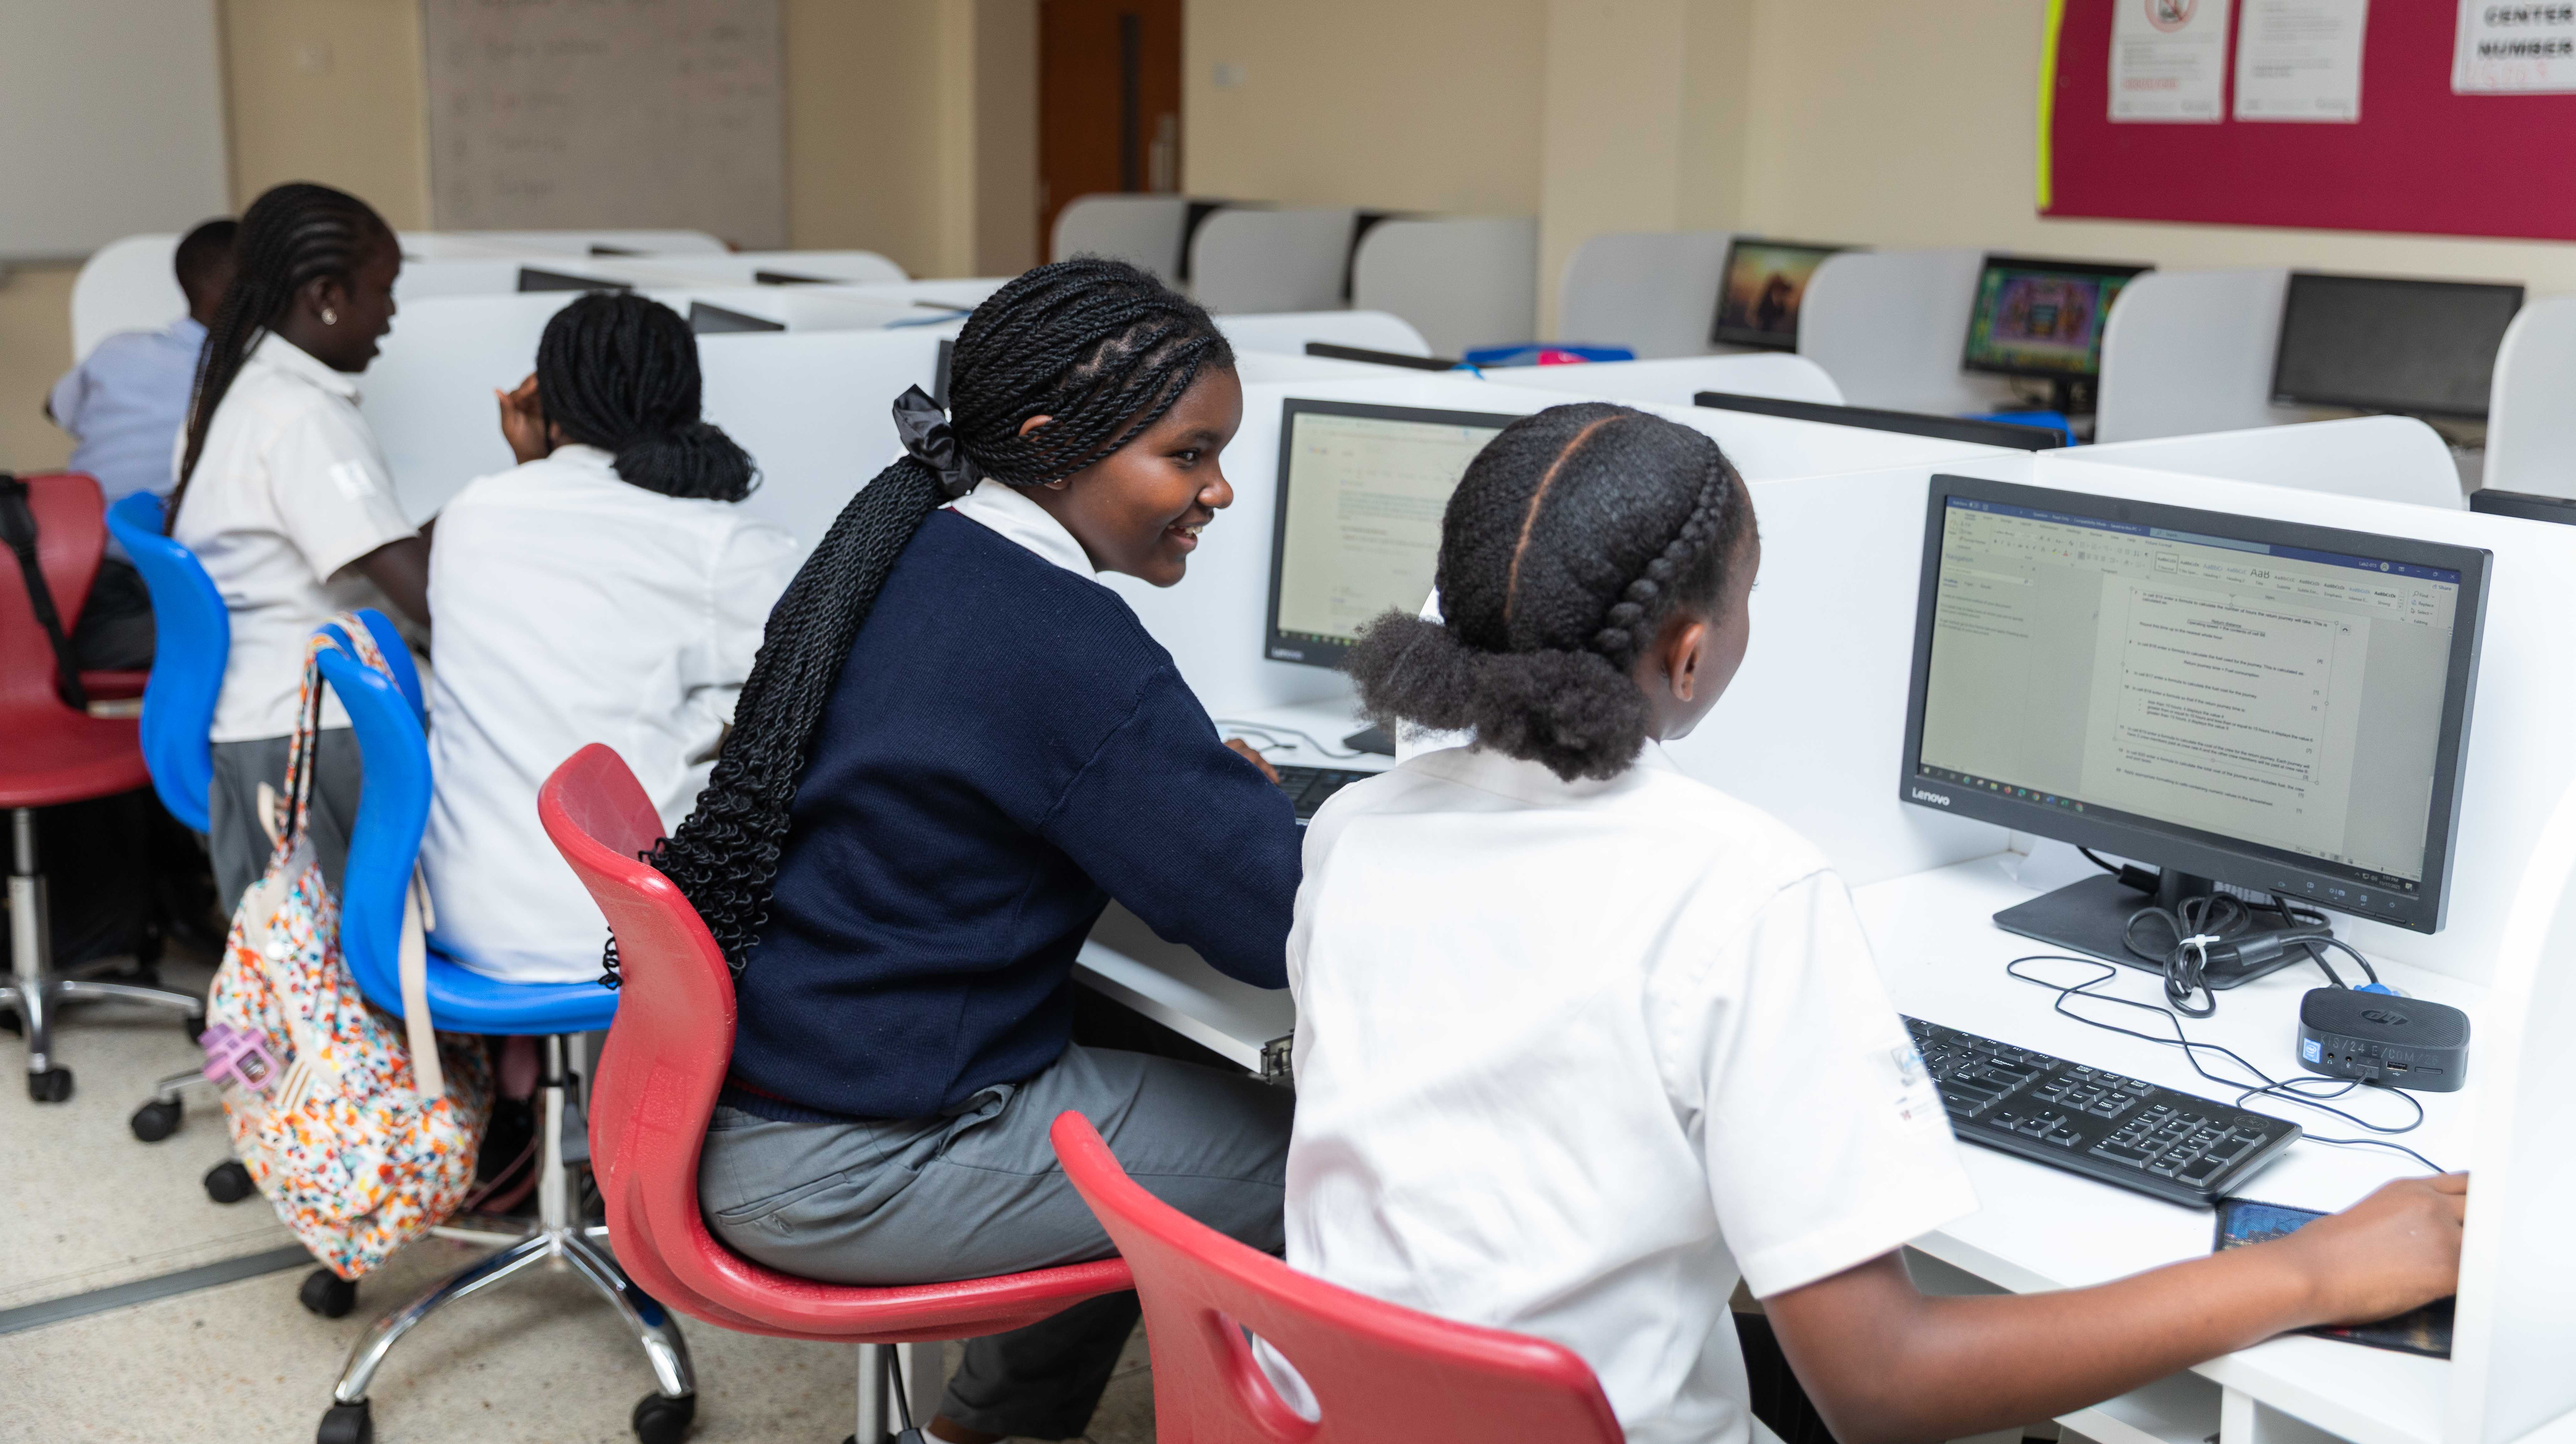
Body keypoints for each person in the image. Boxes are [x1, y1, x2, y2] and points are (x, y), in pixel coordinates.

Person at [1284, 402, 2467, 1444]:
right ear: (1687, 655)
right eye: (1749, 596)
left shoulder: (1353, 831)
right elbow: (1883, 1388)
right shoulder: (1738, 886)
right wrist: (2309, 1264)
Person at [662, 260, 1301, 1444]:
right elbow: (1271, 924)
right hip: (854, 1158)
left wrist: (1174, 789)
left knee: (1122, 1054)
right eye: (1187, 454)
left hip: (769, 1093)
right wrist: (1258, 810)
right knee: (1328, 1165)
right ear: (1055, 447)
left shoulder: (910, 540)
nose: (1216, 490)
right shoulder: (1061, 641)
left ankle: (992, 1425)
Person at [418, 291, 798, 982]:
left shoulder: (471, 513)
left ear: (548, 400)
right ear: (688, 398)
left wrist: (536, 458)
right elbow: (831, 675)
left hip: (468, 920)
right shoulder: (720, 547)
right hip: (633, 936)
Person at [170, 183, 429, 911]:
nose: (392, 314)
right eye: (385, 291)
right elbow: (430, 603)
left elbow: (375, 547)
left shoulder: (238, 385)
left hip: (267, 723)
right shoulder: (303, 417)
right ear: (325, 295)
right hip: (313, 737)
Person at [47, 217, 237, 670]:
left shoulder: (117, 351)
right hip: (146, 583)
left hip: (70, 573)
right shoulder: (244, 376)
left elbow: (55, 409)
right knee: (247, 640)